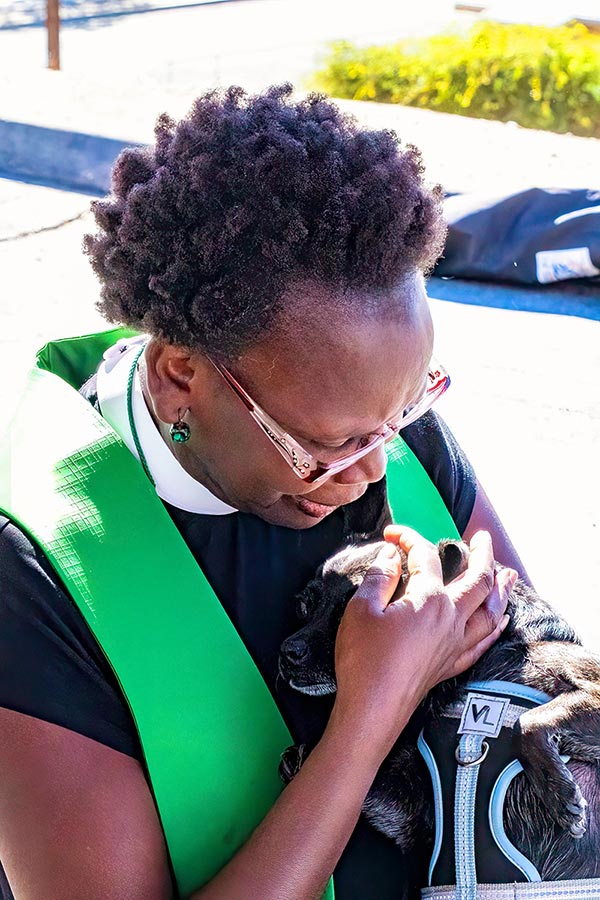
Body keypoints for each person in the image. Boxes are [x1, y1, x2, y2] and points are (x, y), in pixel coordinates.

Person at [0, 85, 523, 900]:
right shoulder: (34, 571)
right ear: (181, 376)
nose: (377, 470)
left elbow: (529, 663)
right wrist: (370, 716)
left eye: (409, 408)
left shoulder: (372, 417)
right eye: (326, 445)